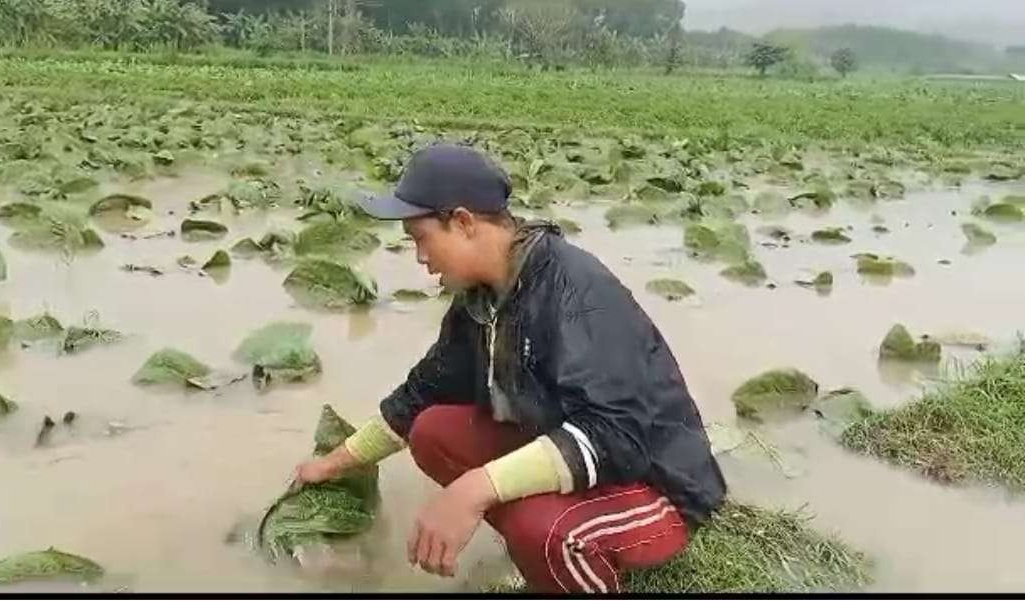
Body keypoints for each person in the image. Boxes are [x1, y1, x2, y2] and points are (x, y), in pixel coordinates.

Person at [292, 144, 726, 593]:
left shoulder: (576, 289)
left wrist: (475, 488)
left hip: (655, 484)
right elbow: (423, 392)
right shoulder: (481, 298)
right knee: (432, 431)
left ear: (462, 222)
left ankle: (557, 552)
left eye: (420, 239)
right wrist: (333, 463)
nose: (420, 258)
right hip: (580, 454)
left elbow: (615, 436)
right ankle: (535, 553)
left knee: (544, 531)